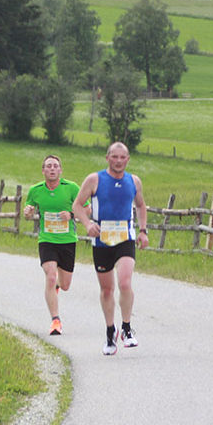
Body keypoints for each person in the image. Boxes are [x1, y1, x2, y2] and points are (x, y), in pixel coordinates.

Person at [72, 142, 149, 355]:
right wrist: (88, 224)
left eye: (122, 157)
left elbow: (141, 205)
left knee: (125, 282)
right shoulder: (94, 179)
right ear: (107, 158)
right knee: (107, 289)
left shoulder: (134, 181)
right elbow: (77, 205)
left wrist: (143, 231)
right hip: (102, 239)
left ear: (128, 159)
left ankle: (126, 328)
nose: (118, 161)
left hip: (125, 237)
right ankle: (110, 331)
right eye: (114, 157)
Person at [24, 155, 80, 336]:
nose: (52, 169)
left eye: (55, 166)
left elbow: (86, 209)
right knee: (50, 275)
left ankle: (56, 285)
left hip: (67, 240)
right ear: (43, 170)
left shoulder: (71, 188)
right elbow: (28, 212)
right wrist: (28, 212)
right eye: (48, 166)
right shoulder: (35, 190)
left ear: (61, 170)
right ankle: (55, 321)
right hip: (47, 240)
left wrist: (71, 214)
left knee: (65, 285)